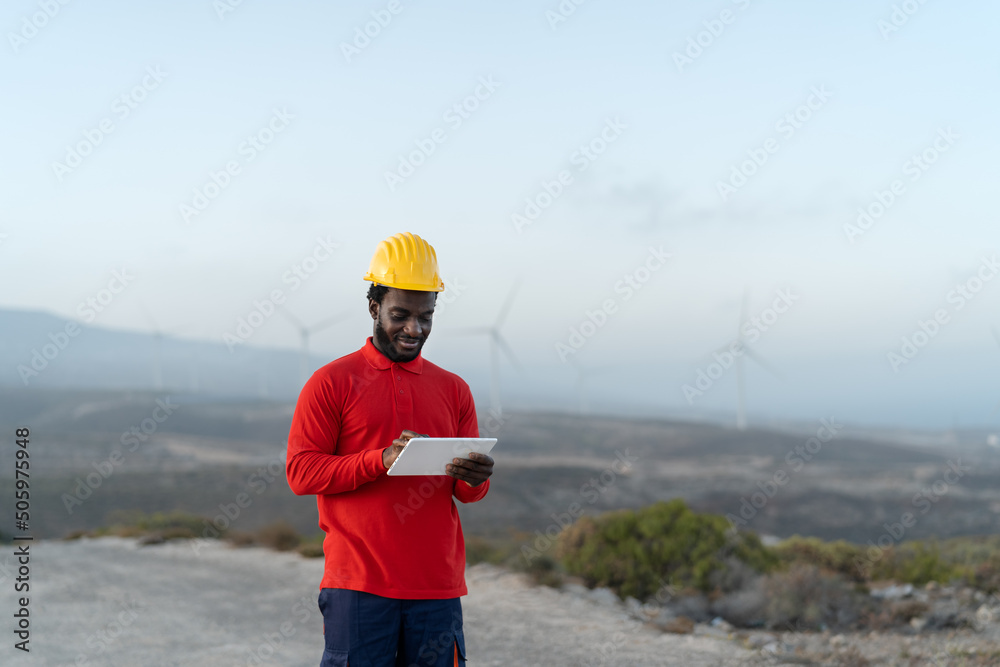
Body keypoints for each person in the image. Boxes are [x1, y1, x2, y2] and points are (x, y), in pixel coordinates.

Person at [286, 231, 494, 667]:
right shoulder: (330, 383)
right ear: (373, 306)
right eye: (401, 314)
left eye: (426, 316)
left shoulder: (455, 389)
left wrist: (476, 480)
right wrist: (380, 460)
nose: (414, 329)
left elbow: (467, 495)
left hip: (437, 587)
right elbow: (301, 473)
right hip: (357, 584)